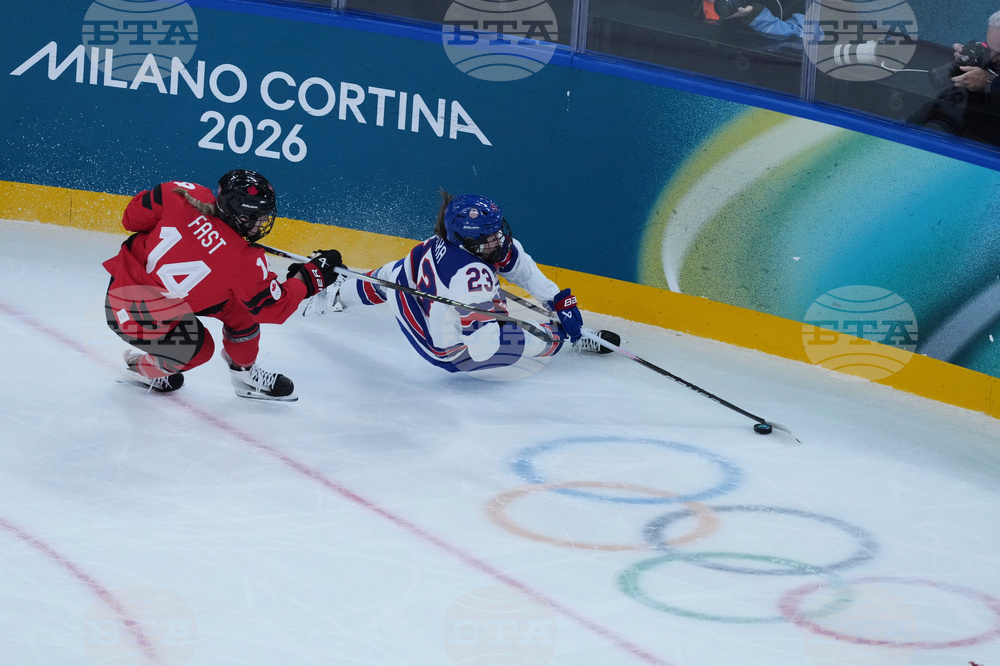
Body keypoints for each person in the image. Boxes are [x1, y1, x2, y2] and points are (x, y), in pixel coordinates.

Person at [305, 191, 620, 376]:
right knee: (506, 342)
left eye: (497, 231)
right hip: (440, 345)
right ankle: (565, 338)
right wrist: (557, 330)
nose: (497, 240)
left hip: (411, 283)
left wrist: (557, 300)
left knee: (391, 275)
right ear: (465, 240)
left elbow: (522, 270)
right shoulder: (470, 278)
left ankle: (335, 294)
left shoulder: (448, 242)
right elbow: (481, 340)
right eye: (487, 237)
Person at [102, 169, 345, 400]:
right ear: (241, 216)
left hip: (144, 289)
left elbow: (131, 219)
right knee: (198, 350)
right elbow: (276, 307)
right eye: (260, 216)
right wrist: (310, 276)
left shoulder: (180, 192)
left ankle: (244, 375)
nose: (263, 221)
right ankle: (142, 369)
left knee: (242, 308)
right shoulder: (245, 262)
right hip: (132, 313)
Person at [908, 10, 1000, 146]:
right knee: (909, 125)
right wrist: (969, 58)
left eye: (999, 53)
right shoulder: (991, 54)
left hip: (983, 139)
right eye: (989, 46)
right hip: (954, 114)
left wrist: (988, 81)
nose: (992, 57)